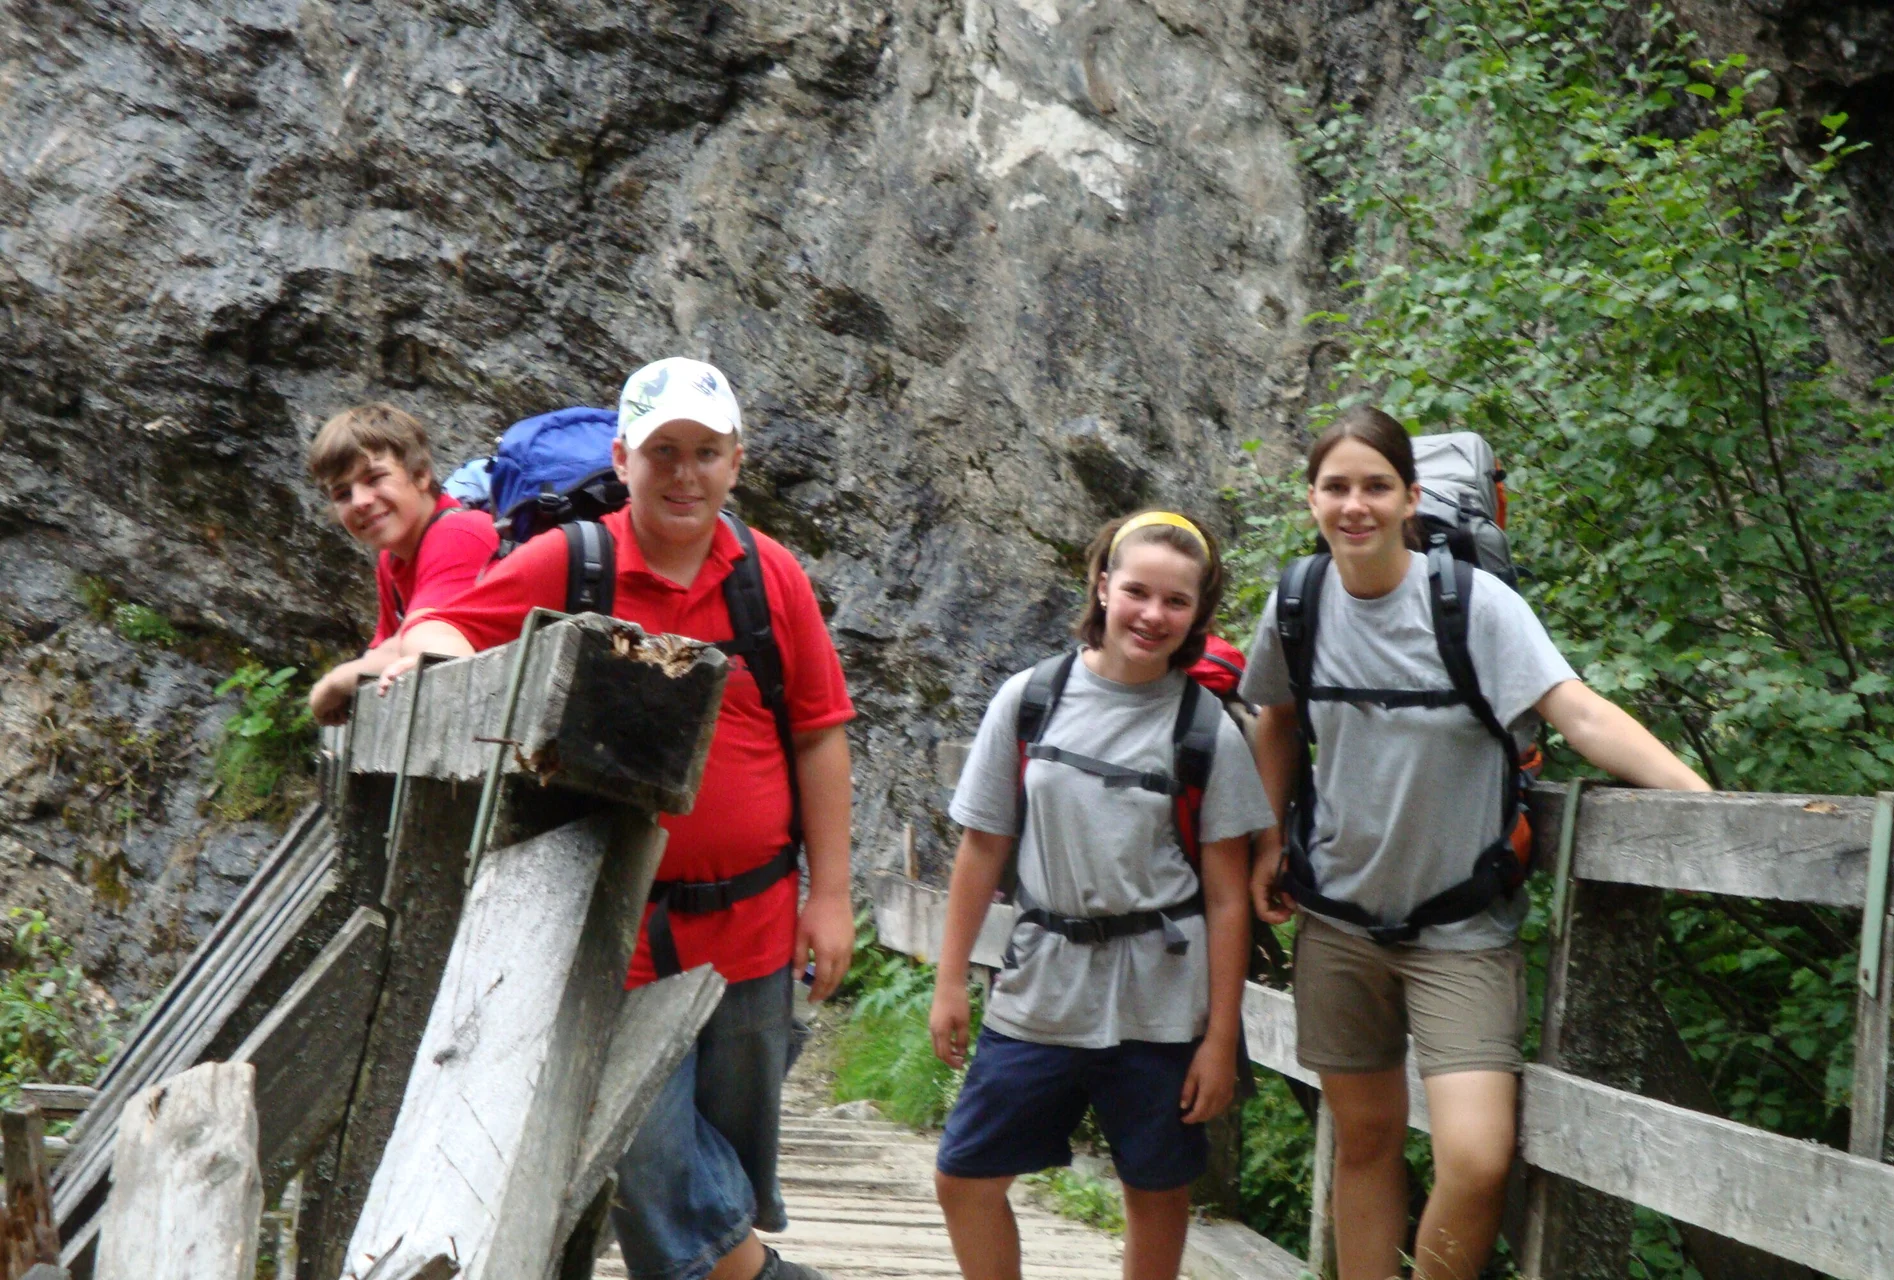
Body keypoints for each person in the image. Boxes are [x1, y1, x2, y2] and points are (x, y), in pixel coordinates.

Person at [379, 357, 855, 1280]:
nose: (684, 474)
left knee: (715, 1166)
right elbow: (450, 626)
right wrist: (419, 660)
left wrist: (829, 895)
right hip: (615, 931)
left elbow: (818, 734)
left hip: (754, 926)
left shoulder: (770, 576)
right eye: (662, 451)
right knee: (653, 1160)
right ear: (622, 458)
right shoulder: (574, 561)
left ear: (736, 462)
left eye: (705, 453)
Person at [1240, 406, 1710, 1280]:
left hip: (1460, 930)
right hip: (1338, 920)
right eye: (1336, 487)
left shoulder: (1474, 606)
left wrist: (1700, 805)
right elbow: (1274, 716)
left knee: (1477, 1157)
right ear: (1311, 499)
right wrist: (1268, 840)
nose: (1355, 505)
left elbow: (1578, 713)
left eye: (1376, 486)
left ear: (1410, 498)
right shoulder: (1298, 602)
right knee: (1366, 1140)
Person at [928, 511, 1271, 1280]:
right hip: (1041, 987)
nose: (1153, 615)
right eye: (1138, 591)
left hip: (1162, 999)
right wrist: (950, 980)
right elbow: (982, 846)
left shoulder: (1205, 729)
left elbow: (1226, 898)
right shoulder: (1030, 699)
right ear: (1104, 585)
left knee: (1156, 1188)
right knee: (965, 1178)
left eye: (1176, 601)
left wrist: (1220, 1038)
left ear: (1198, 613)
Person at [305, 403, 498, 726]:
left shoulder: (460, 533)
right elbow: (383, 653)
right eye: (342, 494)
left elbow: (423, 646)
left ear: (420, 474)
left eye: (375, 478)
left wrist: (335, 683)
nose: (360, 501)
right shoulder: (391, 559)